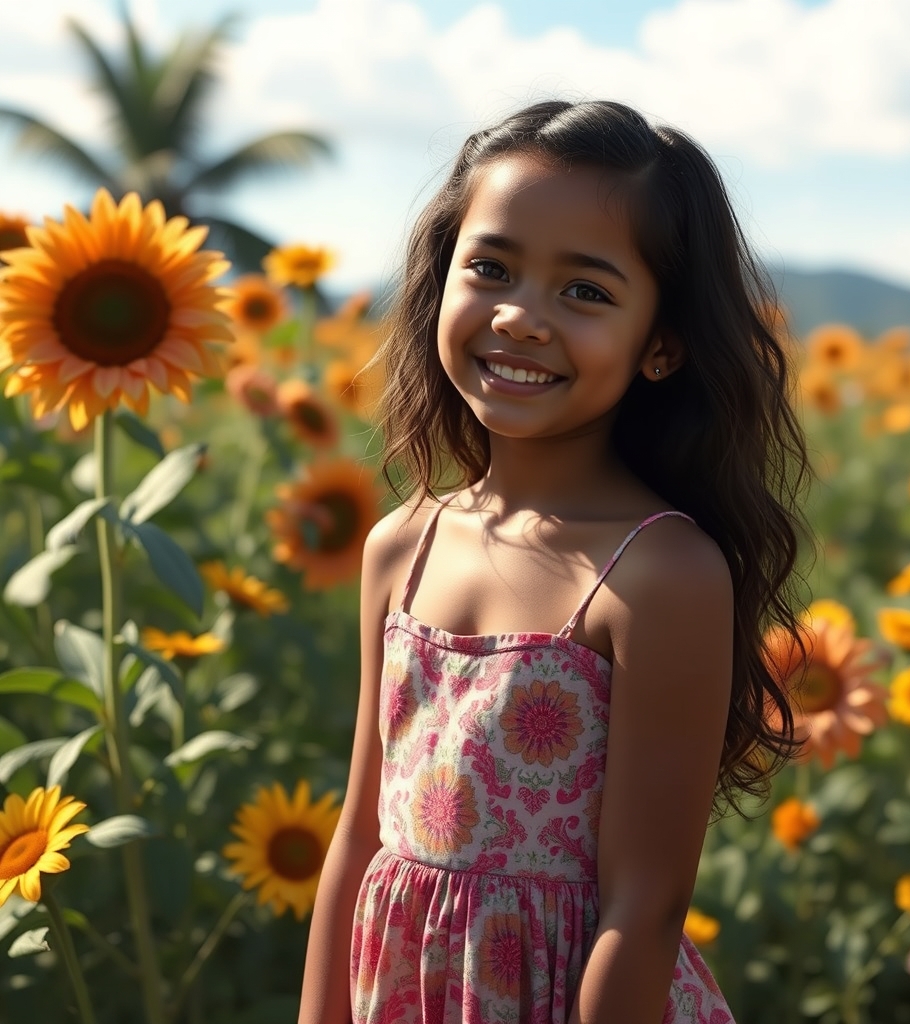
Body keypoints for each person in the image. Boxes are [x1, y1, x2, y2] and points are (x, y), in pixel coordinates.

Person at [298, 99, 809, 1024]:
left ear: (661, 346)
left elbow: (640, 915)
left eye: (585, 291)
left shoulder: (660, 572)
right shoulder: (399, 547)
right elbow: (358, 838)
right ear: (440, 282)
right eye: (490, 268)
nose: (522, 317)